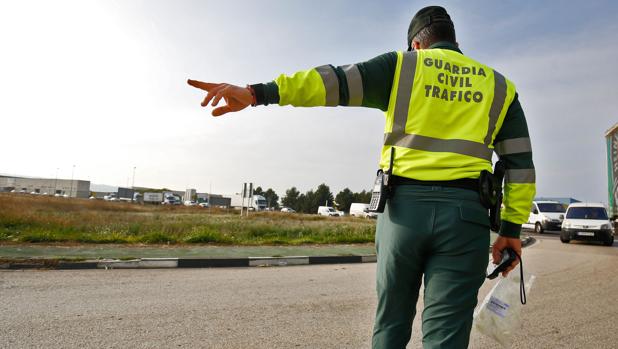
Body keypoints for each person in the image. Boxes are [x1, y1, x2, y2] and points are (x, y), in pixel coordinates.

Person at [188, 5, 535, 348]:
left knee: (391, 324)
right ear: (453, 41)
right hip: (466, 219)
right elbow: (520, 166)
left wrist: (256, 93)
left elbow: (330, 82)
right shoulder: (499, 87)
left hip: (402, 214)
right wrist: (510, 230)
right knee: (446, 336)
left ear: (415, 44)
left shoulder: (402, 67)